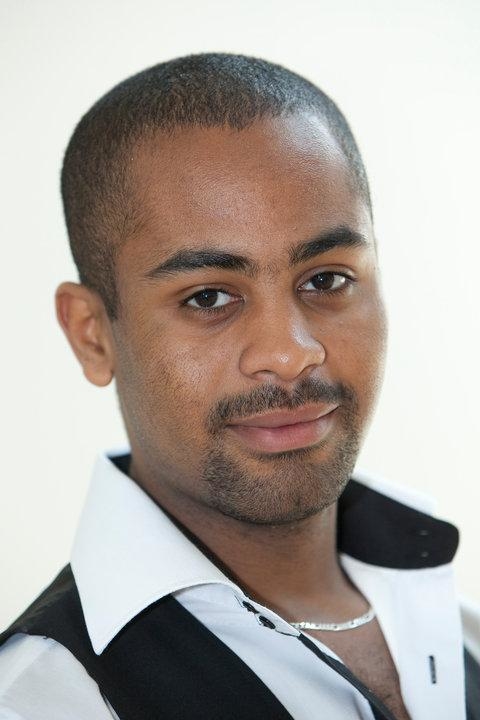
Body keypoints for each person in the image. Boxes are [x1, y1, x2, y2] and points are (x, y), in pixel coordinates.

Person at [0, 53, 477, 720]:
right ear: (92, 334)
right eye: (208, 297)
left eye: (326, 280)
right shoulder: (43, 701)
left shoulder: (458, 628)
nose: (290, 353)